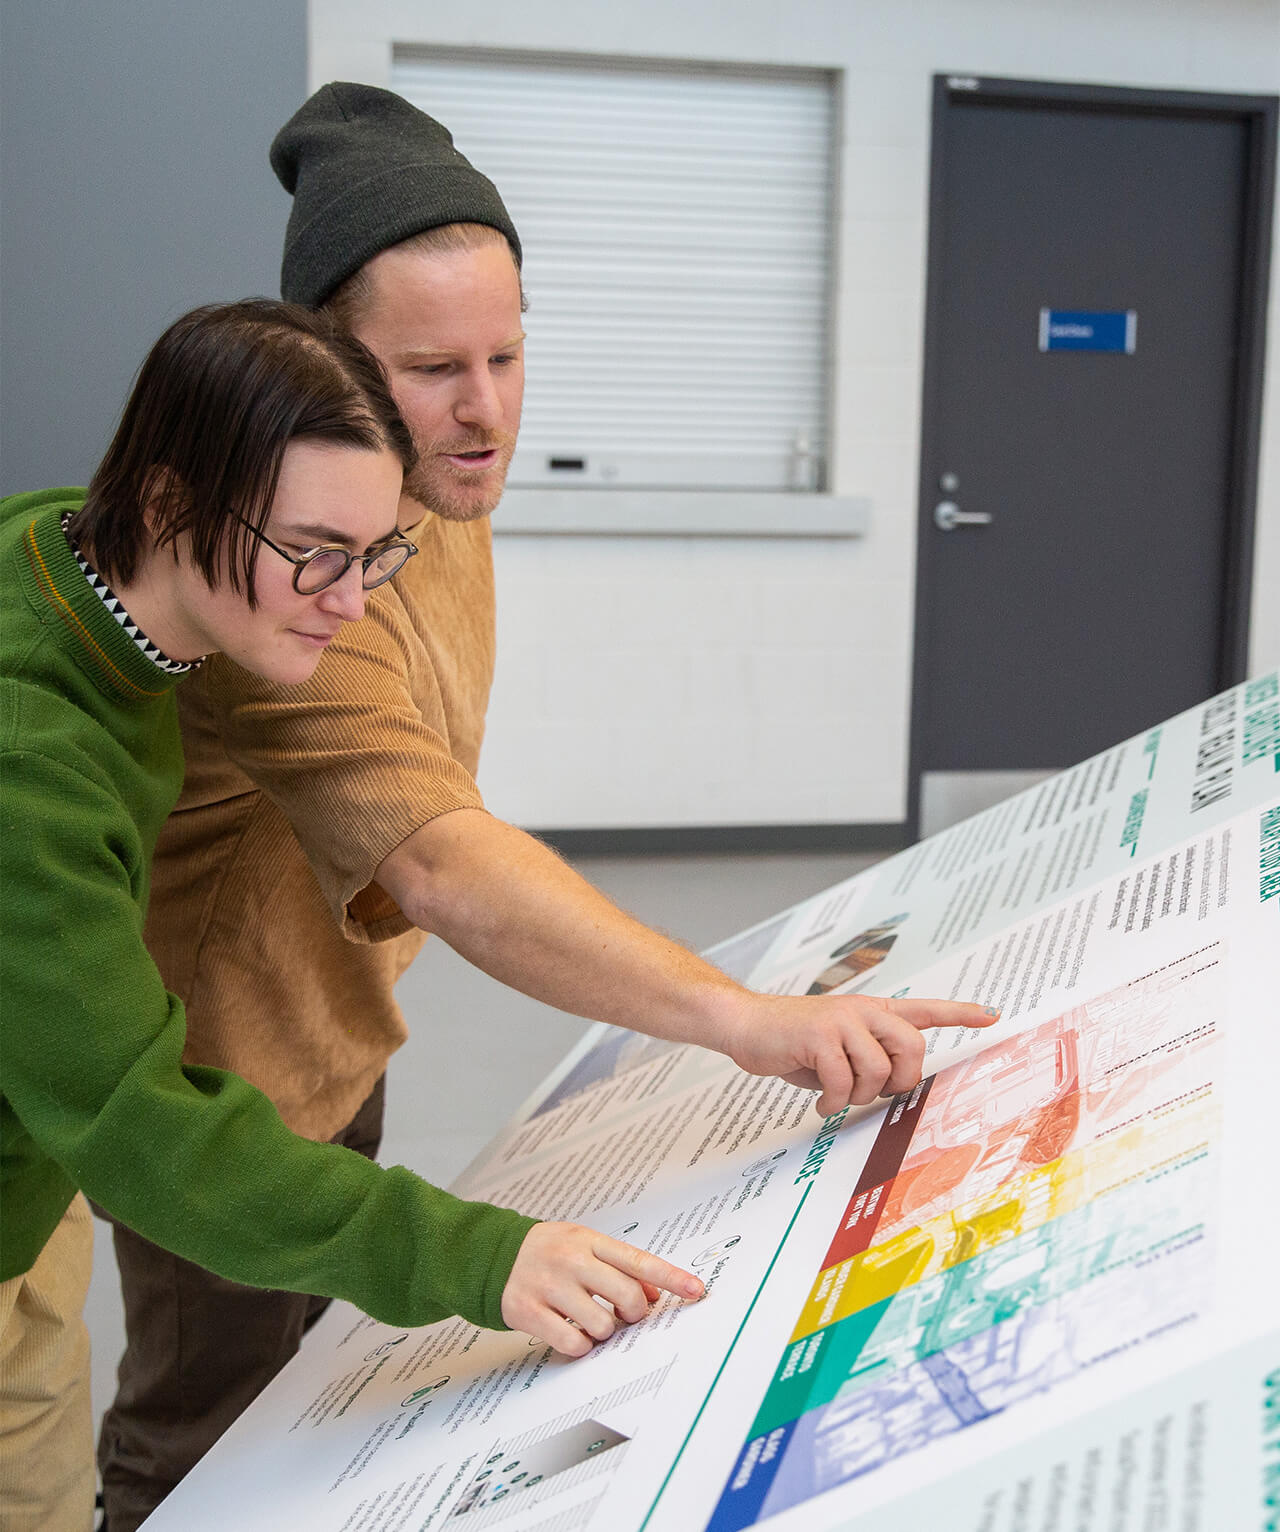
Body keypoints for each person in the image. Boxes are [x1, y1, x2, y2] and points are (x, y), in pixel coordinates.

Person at [100, 85, 995, 1529]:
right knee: (196, 1434)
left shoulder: (434, 488)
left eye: (508, 354)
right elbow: (444, 861)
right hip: (214, 1080)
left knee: (304, 1396)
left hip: (334, 1021)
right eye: (433, 367)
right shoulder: (291, 581)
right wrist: (750, 1021)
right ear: (323, 371)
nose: (487, 409)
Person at [0, 299, 702, 1532]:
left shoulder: (74, 556)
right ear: (168, 506)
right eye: (316, 550)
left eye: (377, 554)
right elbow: (140, 1123)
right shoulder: (29, 763)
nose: (348, 599)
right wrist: (482, 1259)